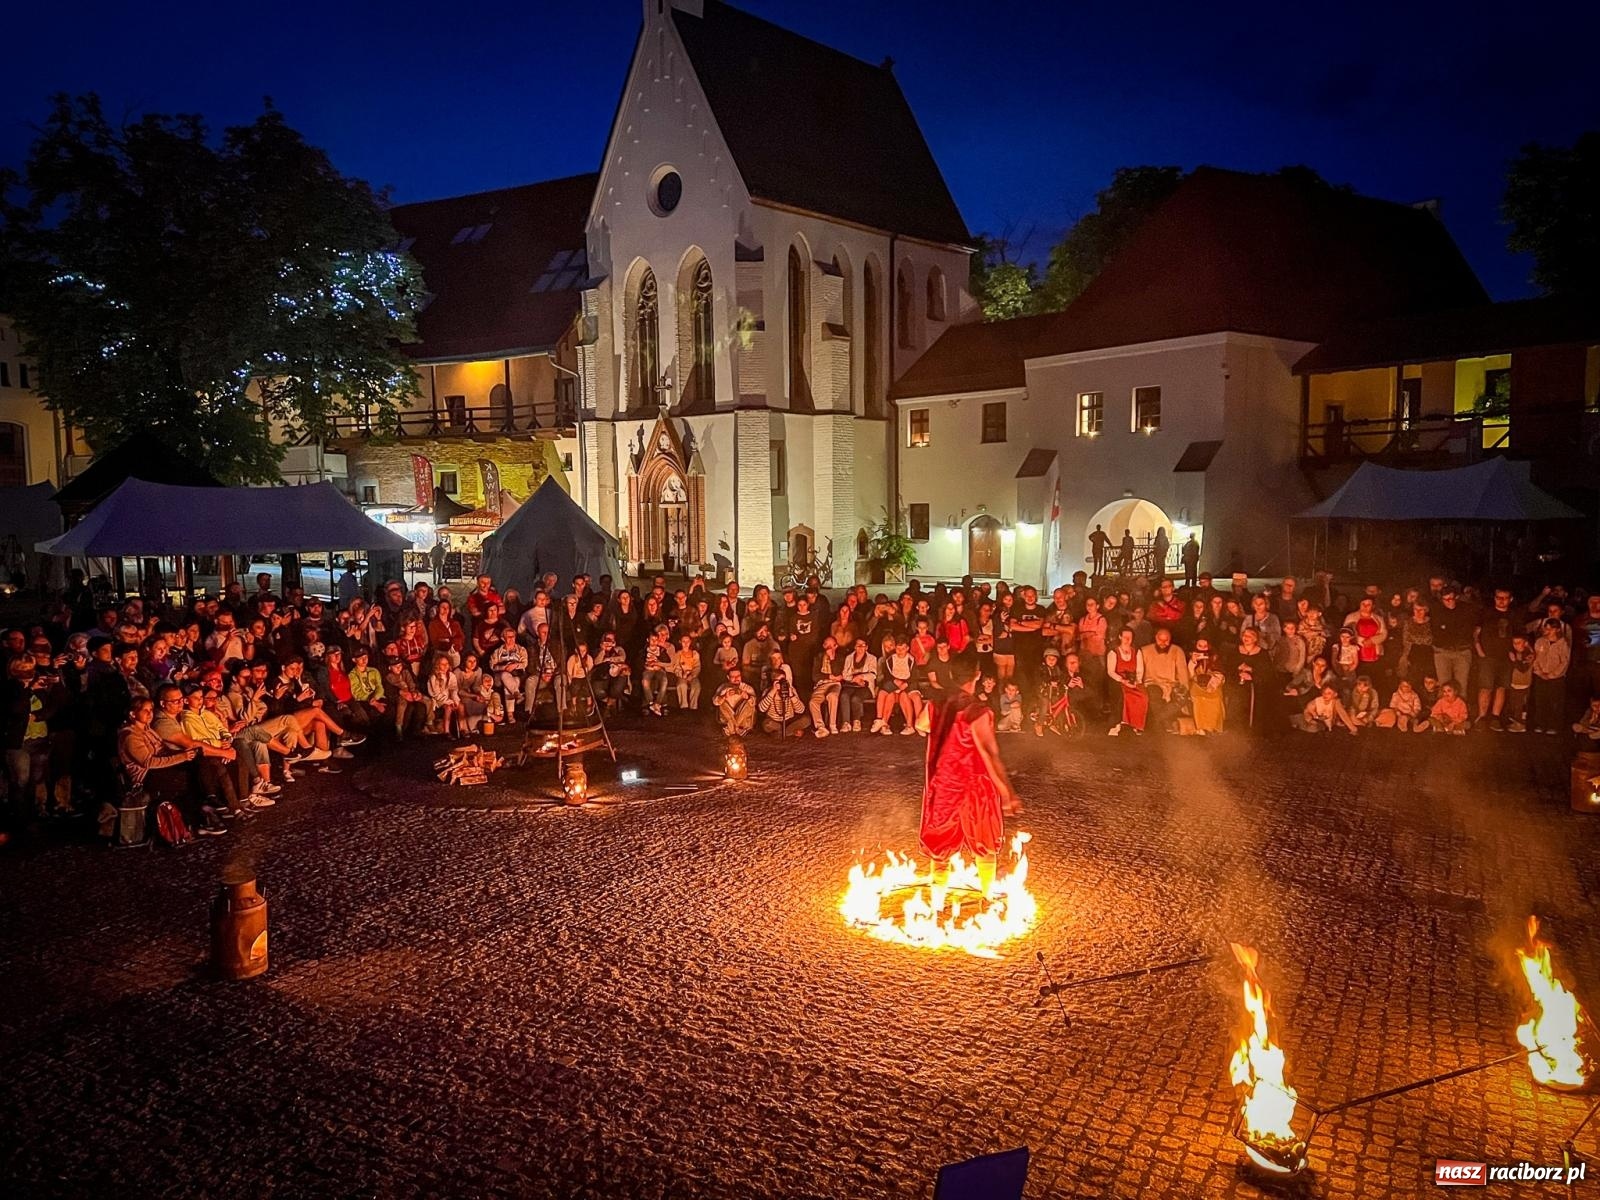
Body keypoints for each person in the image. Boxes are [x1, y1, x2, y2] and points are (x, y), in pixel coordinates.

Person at [919, 658, 1020, 863]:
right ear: (977, 675)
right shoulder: (977, 711)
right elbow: (990, 754)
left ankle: (938, 896)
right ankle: (986, 895)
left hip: (943, 785)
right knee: (985, 846)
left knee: (940, 848)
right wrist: (1008, 793)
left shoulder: (936, 703)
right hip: (975, 787)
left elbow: (920, 724)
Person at [1529, 618, 1570, 734]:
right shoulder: (1539, 642)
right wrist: (1540, 672)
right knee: (1540, 700)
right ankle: (1540, 724)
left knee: (1554, 702)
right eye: (1545, 628)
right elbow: (1535, 657)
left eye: (1549, 628)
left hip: (1556, 679)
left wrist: (1552, 675)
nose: (1546, 630)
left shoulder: (1563, 644)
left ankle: (1554, 725)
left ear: (1556, 630)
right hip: (1540, 676)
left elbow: (1564, 662)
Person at [1106, 627, 1146, 736]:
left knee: (1142, 697)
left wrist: (1137, 681)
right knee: (1123, 696)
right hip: (1118, 680)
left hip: (1133, 680)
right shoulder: (1113, 652)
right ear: (1120, 637)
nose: (1127, 639)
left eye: (1130, 637)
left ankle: (1136, 725)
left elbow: (1139, 669)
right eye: (1125, 637)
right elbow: (1111, 672)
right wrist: (1123, 680)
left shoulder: (1136, 652)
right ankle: (1117, 724)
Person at [1294, 683, 1360, 734]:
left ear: (1335, 694)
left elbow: (1343, 714)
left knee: (1314, 728)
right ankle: (1296, 721)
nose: (1325, 695)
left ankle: (1298, 723)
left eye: (1329, 693)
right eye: (1324, 693)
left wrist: (1353, 729)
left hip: (1326, 723)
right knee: (1308, 721)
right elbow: (1308, 708)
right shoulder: (1318, 700)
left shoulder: (1336, 702)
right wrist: (1312, 717)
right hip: (1317, 719)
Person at [712, 665, 756, 737]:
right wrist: (724, 697)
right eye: (733, 677)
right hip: (728, 717)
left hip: (743, 720)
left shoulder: (747, 688)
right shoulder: (723, 687)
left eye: (738, 676)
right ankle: (738, 729)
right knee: (722, 703)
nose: (736, 679)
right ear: (728, 677)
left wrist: (747, 697)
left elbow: (754, 704)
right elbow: (715, 702)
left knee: (749, 702)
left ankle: (731, 729)